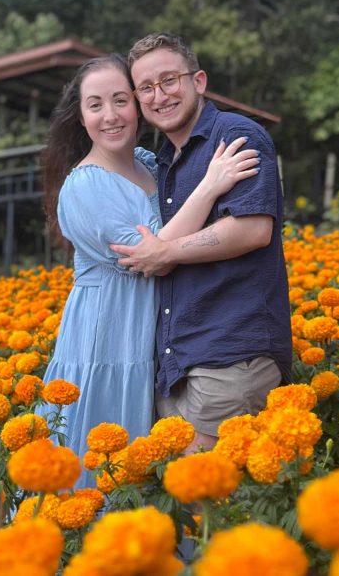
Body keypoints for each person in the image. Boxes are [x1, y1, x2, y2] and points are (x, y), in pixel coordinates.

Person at [39, 53, 260, 487]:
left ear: (138, 105)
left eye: (121, 100)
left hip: (153, 331)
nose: (111, 115)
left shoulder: (150, 163)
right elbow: (151, 254)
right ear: (81, 118)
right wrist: (211, 185)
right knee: (103, 455)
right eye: (96, 105)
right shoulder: (84, 186)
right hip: (108, 331)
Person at [110, 33, 293, 453]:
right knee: (194, 507)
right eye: (147, 88)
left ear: (199, 81)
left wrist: (167, 252)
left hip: (230, 354)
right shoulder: (162, 161)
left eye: (169, 80)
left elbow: (252, 229)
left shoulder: (235, 135)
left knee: (217, 504)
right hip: (178, 360)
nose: (160, 95)